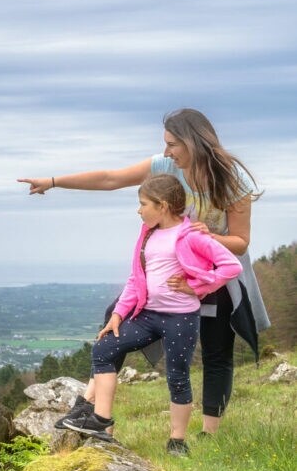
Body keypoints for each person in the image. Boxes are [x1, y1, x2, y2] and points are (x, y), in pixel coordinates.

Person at [18, 108, 270, 435]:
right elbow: (111, 179)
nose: (167, 152)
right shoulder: (165, 167)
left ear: (194, 142)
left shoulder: (232, 179)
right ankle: (90, 408)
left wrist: (207, 237)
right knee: (116, 318)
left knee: (216, 351)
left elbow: (240, 243)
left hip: (214, 278)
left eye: (173, 144)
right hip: (165, 276)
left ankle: (210, 436)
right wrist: (53, 182)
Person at [61, 175, 242, 454]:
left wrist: (195, 286)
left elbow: (231, 267)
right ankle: (101, 421)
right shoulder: (147, 234)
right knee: (104, 348)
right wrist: (119, 313)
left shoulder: (191, 235)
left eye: (143, 204)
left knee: (177, 375)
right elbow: (136, 279)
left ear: (163, 205)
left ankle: (177, 441)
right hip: (147, 315)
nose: (139, 210)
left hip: (181, 317)